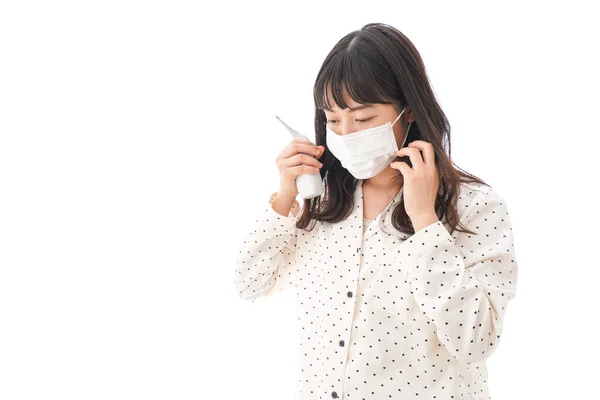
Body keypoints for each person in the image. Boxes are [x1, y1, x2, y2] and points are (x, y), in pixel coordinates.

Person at [234, 22, 518, 400]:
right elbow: (249, 284)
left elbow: (476, 341)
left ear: (410, 110)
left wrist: (425, 222)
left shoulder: (474, 206)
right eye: (333, 120)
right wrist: (285, 196)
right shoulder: (323, 203)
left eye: (364, 118)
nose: (347, 133)